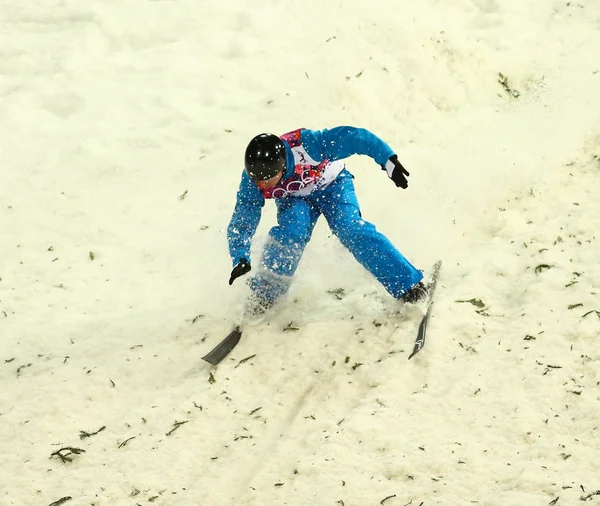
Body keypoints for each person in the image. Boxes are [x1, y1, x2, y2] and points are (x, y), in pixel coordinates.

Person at [226, 126, 427, 316]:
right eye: (257, 180)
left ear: (281, 166)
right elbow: (245, 215)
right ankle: (265, 296)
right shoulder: (254, 178)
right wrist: (240, 256)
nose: (261, 184)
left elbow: (355, 137)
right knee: (290, 234)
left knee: (351, 230)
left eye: (267, 179)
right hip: (295, 199)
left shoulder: (308, 145)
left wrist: (387, 159)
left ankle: (408, 285)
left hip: (333, 186)